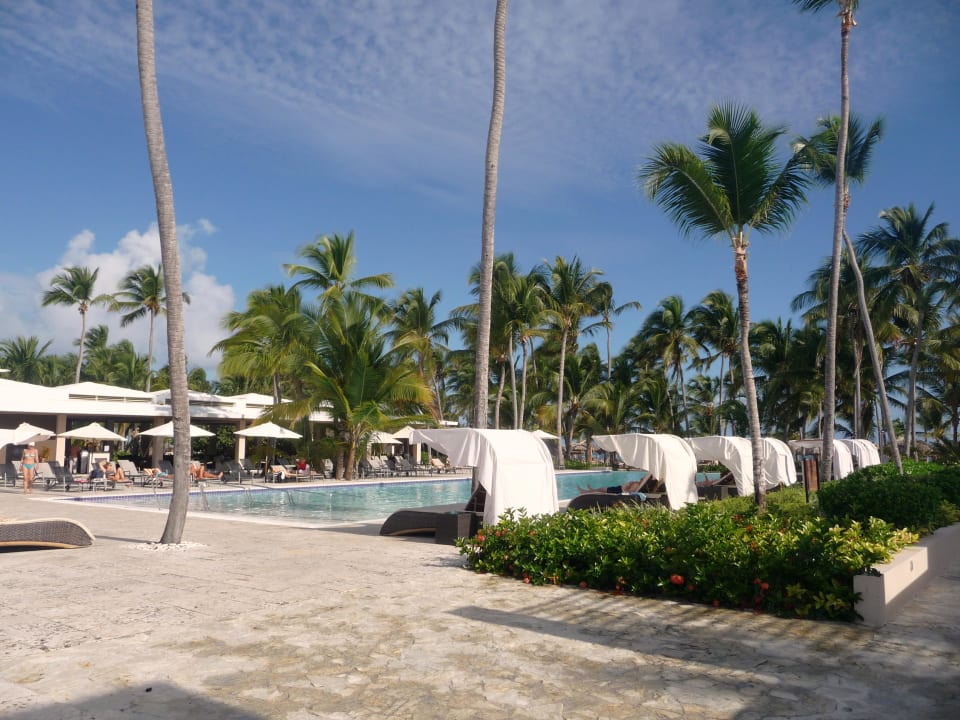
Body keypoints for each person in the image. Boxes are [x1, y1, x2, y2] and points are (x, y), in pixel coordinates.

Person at [577, 473, 655, 496]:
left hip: (618, 490)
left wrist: (625, 486)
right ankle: (589, 490)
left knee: (602, 490)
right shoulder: (638, 484)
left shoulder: (637, 485)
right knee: (602, 489)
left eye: (642, 478)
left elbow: (629, 492)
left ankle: (585, 492)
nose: (641, 478)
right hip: (619, 488)